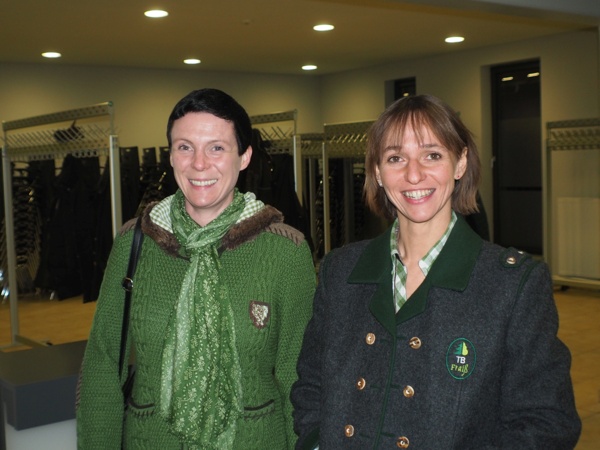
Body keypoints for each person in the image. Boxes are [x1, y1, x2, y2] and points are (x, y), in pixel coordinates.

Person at [291, 94, 581, 449]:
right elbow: (311, 385)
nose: (414, 174)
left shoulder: (512, 284)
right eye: (395, 158)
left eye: (432, 155)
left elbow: (547, 422)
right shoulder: (341, 272)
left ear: (460, 163)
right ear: (378, 172)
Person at [77, 88, 316, 449]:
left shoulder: (285, 252)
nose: (199, 164)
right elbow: (103, 364)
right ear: (171, 156)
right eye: (185, 147)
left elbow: (299, 379)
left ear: (245, 156)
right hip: (151, 440)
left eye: (216, 148)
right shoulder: (134, 243)